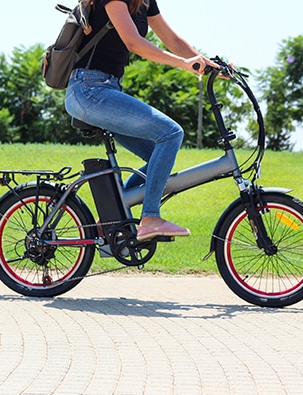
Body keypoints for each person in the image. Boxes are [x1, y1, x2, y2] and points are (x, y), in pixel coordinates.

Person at [65, 0, 217, 242]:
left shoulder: (145, 2)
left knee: (160, 161)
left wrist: (209, 64)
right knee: (170, 134)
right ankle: (150, 218)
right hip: (89, 90)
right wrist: (183, 64)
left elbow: (174, 41)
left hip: (107, 90)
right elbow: (133, 42)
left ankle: (110, 217)